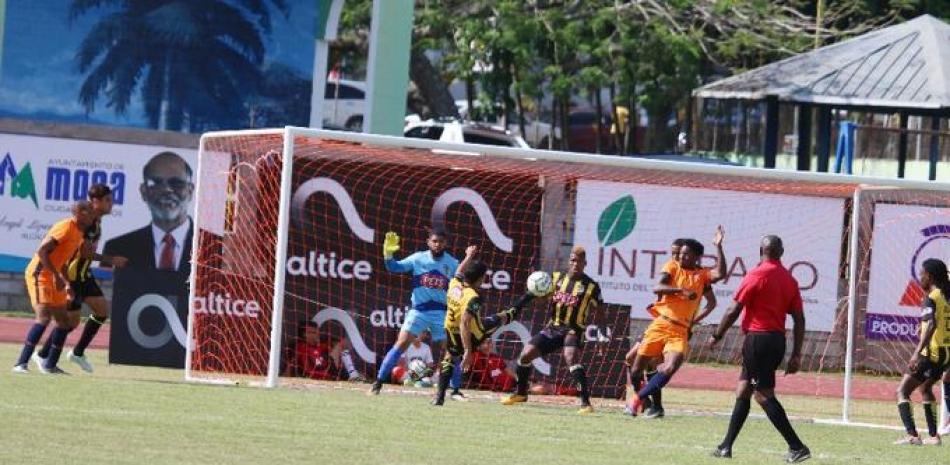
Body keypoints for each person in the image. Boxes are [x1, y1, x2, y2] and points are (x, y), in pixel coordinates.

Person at [707, 235, 810, 463]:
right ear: (781, 252)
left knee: (762, 395)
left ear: (760, 250)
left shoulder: (756, 274)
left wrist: (717, 335)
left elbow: (733, 309)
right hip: (776, 341)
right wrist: (796, 354)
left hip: (758, 341)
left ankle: (797, 446)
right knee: (743, 390)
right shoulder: (789, 280)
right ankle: (726, 446)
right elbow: (800, 319)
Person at [627, 228, 727, 416]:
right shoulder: (672, 267)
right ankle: (649, 403)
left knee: (671, 367)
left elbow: (720, 273)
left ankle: (639, 399)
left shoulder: (702, 275)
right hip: (660, 324)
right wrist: (681, 290)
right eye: (680, 254)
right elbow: (658, 286)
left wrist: (719, 247)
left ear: (697, 257)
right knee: (636, 369)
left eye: (686, 254)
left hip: (680, 330)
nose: (681, 257)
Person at [32, 184, 128, 373]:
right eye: (108, 200)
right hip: (74, 276)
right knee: (70, 322)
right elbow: (83, 252)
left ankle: (77, 352)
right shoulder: (88, 222)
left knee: (101, 311)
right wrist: (111, 260)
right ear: (96, 202)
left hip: (85, 275)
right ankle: (44, 356)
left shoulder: (96, 221)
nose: (112, 203)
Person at [369, 229, 476, 395]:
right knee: (400, 345)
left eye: (441, 242)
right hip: (418, 312)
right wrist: (388, 255)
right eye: (434, 241)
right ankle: (378, 383)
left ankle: (455, 390)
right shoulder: (418, 258)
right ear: (428, 242)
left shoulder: (452, 263)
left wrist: (468, 257)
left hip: (441, 314)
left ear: (446, 244)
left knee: (453, 352)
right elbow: (394, 268)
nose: (437, 244)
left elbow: (463, 277)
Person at [502, 246, 603, 414]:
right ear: (569, 261)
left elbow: (600, 314)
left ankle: (586, 403)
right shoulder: (556, 278)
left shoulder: (591, 286)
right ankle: (520, 394)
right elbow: (541, 301)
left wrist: (601, 337)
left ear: (585, 263)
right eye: (572, 260)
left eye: (579, 261)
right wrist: (533, 297)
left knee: (571, 358)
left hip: (574, 330)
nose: (575, 263)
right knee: (526, 355)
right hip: (553, 328)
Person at [432, 260, 533, 406]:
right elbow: (465, 323)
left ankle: (439, 398)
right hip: (473, 333)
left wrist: (468, 257)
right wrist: (468, 351)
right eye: (484, 277)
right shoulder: (473, 298)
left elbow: (458, 272)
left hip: (451, 330)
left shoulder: (454, 284)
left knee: (449, 358)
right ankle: (530, 295)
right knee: (505, 316)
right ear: (480, 279)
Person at [13, 201, 96, 374]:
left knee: (63, 322)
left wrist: (66, 283)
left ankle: (49, 365)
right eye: (89, 211)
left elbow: (64, 263)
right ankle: (20, 364)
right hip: (39, 274)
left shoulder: (79, 233)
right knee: (43, 317)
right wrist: (56, 275)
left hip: (54, 277)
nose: (93, 215)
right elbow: (42, 251)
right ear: (80, 212)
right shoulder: (65, 227)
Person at [103, 151, 194, 272]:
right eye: (156, 183)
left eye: (176, 183)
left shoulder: (216, 249)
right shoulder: (117, 248)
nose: (166, 190)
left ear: (190, 191)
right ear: (143, 191)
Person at [892, 258, 950, 446]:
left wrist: (917, 352)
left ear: (930, 276)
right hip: (946, 353)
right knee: (925, 388)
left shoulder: (931, 297)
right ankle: (934, 436)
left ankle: (912, 435)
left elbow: (932, 323)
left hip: (931, 353)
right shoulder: (947, 295)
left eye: (921, 274)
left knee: (902, 391)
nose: (919, 278)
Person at [295, 321, 363, 381]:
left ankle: (353, 374)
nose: (316, 334)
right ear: (304, 334)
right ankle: (353, 374)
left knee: (342, 345)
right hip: (319, 374)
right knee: (340, 345)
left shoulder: (322, 346)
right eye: (312, 332)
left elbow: (347, 344)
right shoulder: (301, 347)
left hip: (329, 371)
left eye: (317, 332)